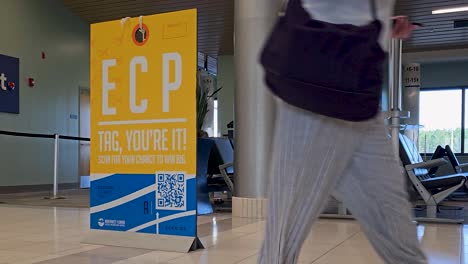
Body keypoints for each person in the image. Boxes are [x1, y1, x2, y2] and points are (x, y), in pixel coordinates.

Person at [258, 0, 426, 263]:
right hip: (318, 92)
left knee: (394, 222)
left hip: (359, 97)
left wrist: (382, 25)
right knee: (285, 235)